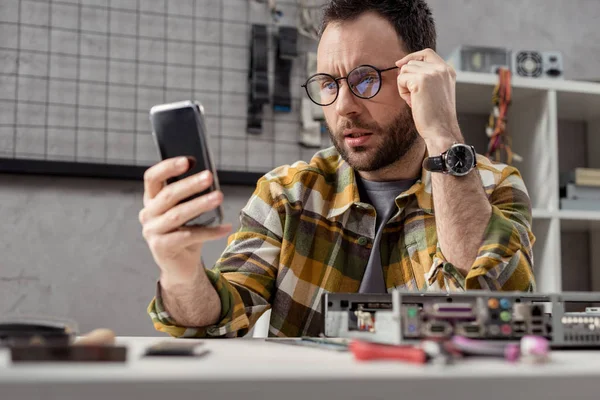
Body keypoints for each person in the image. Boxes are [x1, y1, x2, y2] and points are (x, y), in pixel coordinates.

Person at [140, 0, 536, 338]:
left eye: (365, 79)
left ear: (421, 78)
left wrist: (445, 135)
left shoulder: (490, 187)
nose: (343, 105)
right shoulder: (288, 195)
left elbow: (496, 317)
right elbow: (219, 320)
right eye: (329, 83)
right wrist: (181, 270)